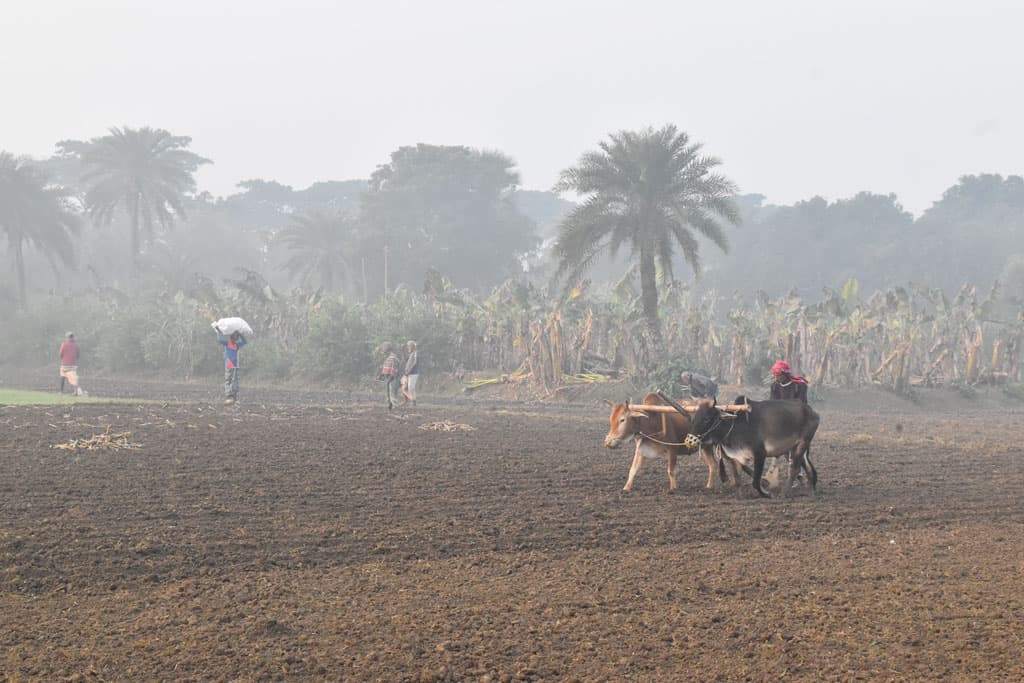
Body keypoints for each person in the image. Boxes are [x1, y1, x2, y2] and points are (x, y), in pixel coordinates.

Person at [216, 328, 247, 405]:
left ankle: (234, 397)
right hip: (230, 363)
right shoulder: (227, 343)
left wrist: (241, 334)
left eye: (236, 338)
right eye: (235, 338)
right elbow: (219, 339)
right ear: (231, 338)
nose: (235, 339)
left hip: (235, 364)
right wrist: (218, 331)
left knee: (235, 380)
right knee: (229, 379)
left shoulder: (236, 345)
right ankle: (229, 396)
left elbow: (245, 342)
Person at [379, 342, 401, 410]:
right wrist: (382, 375)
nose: (382, 350)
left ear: (387, 349)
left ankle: (395, 407)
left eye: (383, 348)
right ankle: (391, 406)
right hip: (390, 377)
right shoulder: (389, 357)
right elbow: (387, 367)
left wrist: (390, 378)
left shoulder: (392, 357)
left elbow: (394, 369)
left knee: (393, 393)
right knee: (390, 393)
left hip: (393, 378)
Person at [401, 340, 419, 407]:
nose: (408, 347)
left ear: (412, 346)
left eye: (409, 346)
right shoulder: (411, 354)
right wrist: (402, 351)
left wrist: (409, 371)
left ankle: (413, 401)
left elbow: (415, 363)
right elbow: (406, 359)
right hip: (407, 373)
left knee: (411, 387)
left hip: (413, 373)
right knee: (403, 388)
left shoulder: (415, 353)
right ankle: (406, 401)